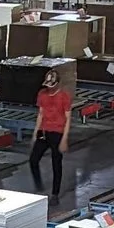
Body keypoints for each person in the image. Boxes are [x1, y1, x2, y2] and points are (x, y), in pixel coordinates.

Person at [29, 66, 74, 201]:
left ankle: (55, 193)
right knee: (33, 160)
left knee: (56, 163)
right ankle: (39, 186)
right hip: (44, 131)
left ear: (57, 83)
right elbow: (41, 114)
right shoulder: (42, 94)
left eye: (51, 85)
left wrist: (64, 139)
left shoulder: (64, 97)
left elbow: (68, 118)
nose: (49, 88)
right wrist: (35, 132)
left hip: (57, 133)